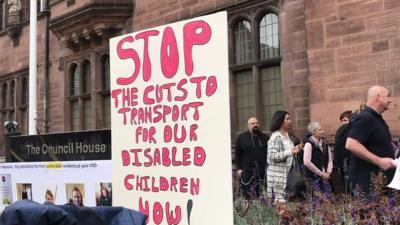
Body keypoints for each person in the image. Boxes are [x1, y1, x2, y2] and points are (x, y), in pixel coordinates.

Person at [346, 85, 396, 195]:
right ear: (378, 97)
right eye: (388, 96)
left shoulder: (376, 118)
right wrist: (378, 160)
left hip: (378, 182)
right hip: (367, 184)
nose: (390, 100)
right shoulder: (366, 117)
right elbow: (351, 144)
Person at [266, 111, 301, 203]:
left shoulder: (286, 135)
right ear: (280, 121)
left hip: (287, 175)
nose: (290, 121)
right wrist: (290, 152)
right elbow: (272, 156)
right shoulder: (276, 137)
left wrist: (296, 149)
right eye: (287, 119)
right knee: (279, 205)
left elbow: (287, 152)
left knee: (284, 208)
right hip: (277, 176)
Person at [234, 117, 269, 198]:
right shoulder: (241, 138)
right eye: (253, 124)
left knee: (263, 195)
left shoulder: (265, 137)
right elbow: (237, 154)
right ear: (248, 126)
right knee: (248, 196)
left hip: (263, 172)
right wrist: (238, 169)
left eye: (256, 123)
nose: (255, 125)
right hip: (248, 172)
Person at [303, 122, 333, 193]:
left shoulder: (324, 142)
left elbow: (329, 160)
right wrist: (321, 173)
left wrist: (328, 172)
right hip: (313, 177)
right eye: (320, 130)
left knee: (329, 196)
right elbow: (307, 162)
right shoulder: (309, 143)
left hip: (325, 175)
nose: (322, 132)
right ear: (313, 131)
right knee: (319, 198)